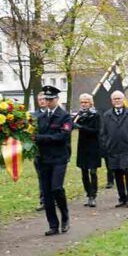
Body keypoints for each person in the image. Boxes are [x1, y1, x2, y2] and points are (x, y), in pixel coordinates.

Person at [35, 85, 73, 236]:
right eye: (47, 99)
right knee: (46, 192)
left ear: (57, 99)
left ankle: (65, 216)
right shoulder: (41, 117)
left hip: (59, 158)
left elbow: (62, 136)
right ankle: (53, 224)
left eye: (51, 99)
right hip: (43, 159)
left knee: (56, 188)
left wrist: (41, 138)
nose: (48, 102)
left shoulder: (65, 117)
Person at [100, 91, 128, 207]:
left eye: (119, 98)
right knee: (117, 174)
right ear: (111, 101)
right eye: (115, 99)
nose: (117, 101)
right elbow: (103, 132)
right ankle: (121, 198)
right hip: (113, 150)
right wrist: (107, 144)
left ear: (123, 99)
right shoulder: (107, 115)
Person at [73, 93, 102, 207]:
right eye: (82, 102)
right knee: (84, 172)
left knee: (93, 172)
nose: (84, 104)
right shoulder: (79, 115)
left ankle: (94, 195)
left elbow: (95, 130)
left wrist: (81, 127)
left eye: (86, 102)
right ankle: (88, 194)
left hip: (93, 146)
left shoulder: (96, 115)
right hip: (83, 146)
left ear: (91, 103)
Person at [31, 91, 48, 211]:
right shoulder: (33, 116)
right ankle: (43, 200)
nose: (42, 101)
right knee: (41, 177)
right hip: (39, 151)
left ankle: (53, 198)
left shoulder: (54, 114)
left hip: (52, 150)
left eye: (44, 99)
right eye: (40, 99)